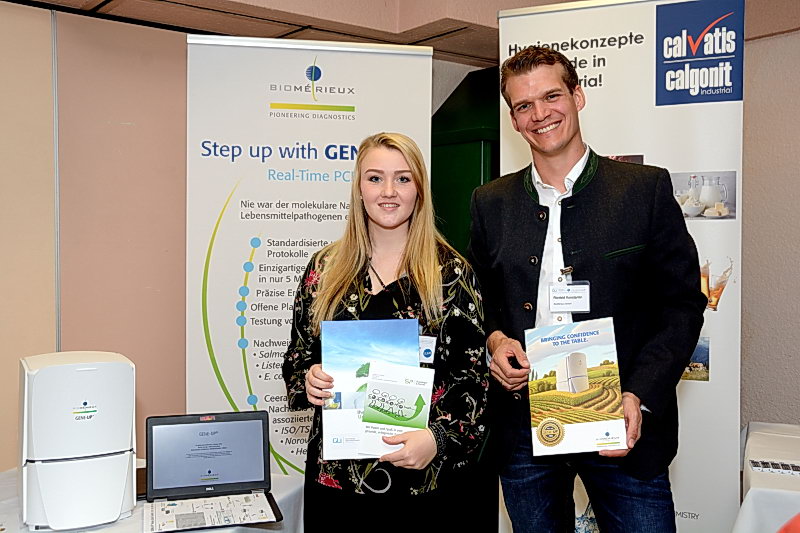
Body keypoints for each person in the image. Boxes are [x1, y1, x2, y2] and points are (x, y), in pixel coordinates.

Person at [468, 47, 707, 533]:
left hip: (621, 422)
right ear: (513, 120)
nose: (540, 114)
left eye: (551, 96)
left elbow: (682, 305)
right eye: (524, 105)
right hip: (525, 425)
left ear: (577, 96)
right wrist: (495, 340)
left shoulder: (643, 190)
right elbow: (477, 299)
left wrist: (638, 394)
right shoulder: (490, 202)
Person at [282, 132, 488, 529]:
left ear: (419, 189)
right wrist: (308, 379)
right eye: (375, 178)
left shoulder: (452, 275)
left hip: (423, 482)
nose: (388, 191)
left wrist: (437, 439)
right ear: (359, 189)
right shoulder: (324, 270)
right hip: (336, 480)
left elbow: (474, 382)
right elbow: (297, 357)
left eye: (403, 178)